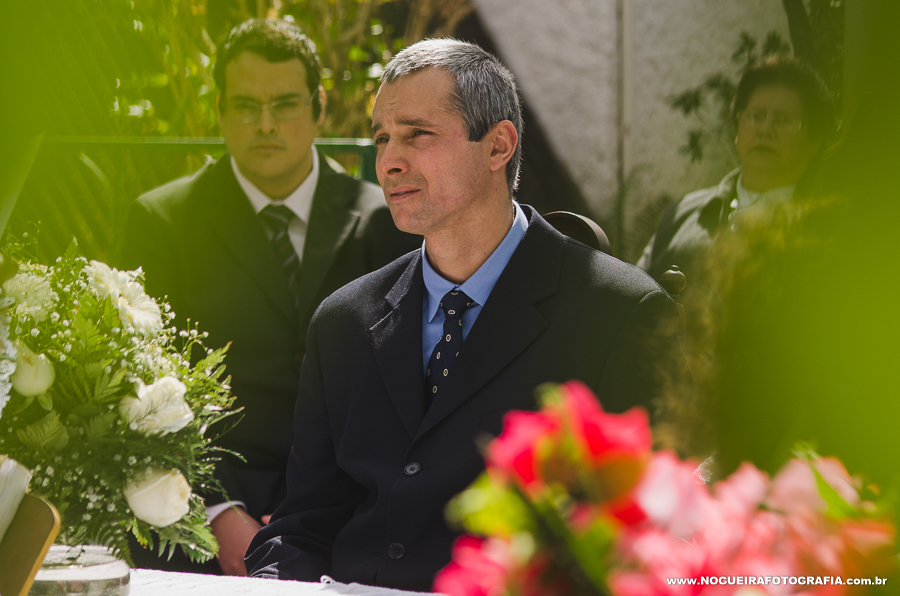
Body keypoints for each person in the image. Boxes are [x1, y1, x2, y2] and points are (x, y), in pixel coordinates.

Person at [245, 39, 684, 591]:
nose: (388, 161)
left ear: (498, 146)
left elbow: (645, 545)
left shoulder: (622, 315)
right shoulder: (342, 323)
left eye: (416, 134)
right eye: (382, 138)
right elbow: (304, 526)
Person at [119, 19, 419, 575]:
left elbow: (407, 384)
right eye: (244, 106)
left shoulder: (387, 219)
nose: (264, 124)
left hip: (353, 509)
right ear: (219, 110)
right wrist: (214, 513)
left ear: (319, 106)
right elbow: (136, 389)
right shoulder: (161, 223)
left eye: (284, 104)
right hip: (200, 514)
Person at [637, 54, 836, 286]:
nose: (765, 129)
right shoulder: (682, 215)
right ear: (737, 129)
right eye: (755, 116)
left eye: (783, 120)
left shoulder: (828, 228)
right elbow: (635, 300)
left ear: (815, 139)